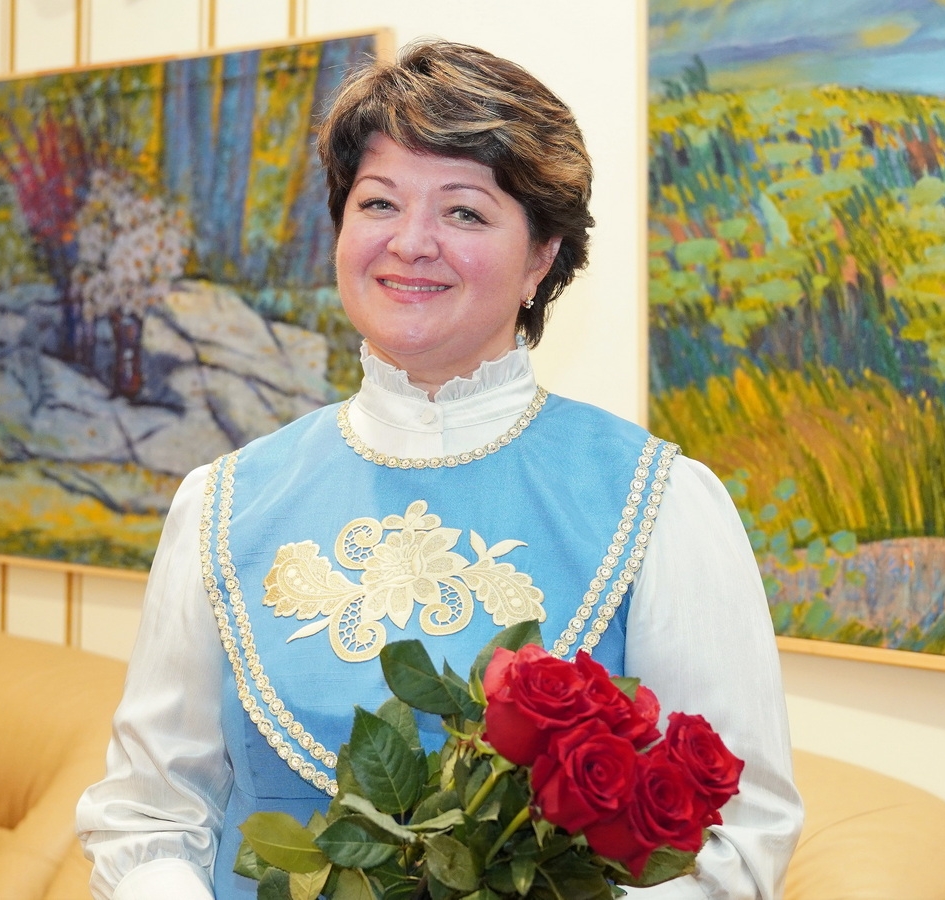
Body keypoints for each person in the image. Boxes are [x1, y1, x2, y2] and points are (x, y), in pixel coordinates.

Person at [77, 39, 803, 900]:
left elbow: (732, 838)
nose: (411, 242)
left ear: (542, 255)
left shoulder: (661, 503)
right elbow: (150, 814)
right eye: (379, 202)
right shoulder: (221, 503)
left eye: (463, 211)